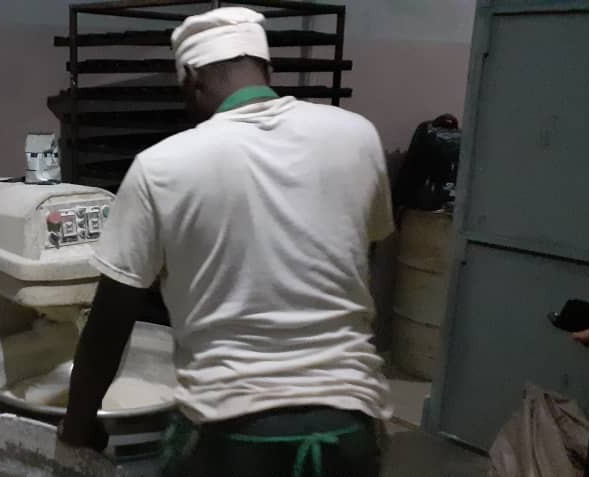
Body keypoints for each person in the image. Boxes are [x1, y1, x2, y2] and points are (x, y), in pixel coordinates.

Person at [57, 7, 393, 477]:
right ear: (266, 67)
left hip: (233, 435)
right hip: (348, 430)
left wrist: (76, 435)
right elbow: (360, 260)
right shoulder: (358, 137)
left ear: (191, 77)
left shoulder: (162, 166)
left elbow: (109, 323)